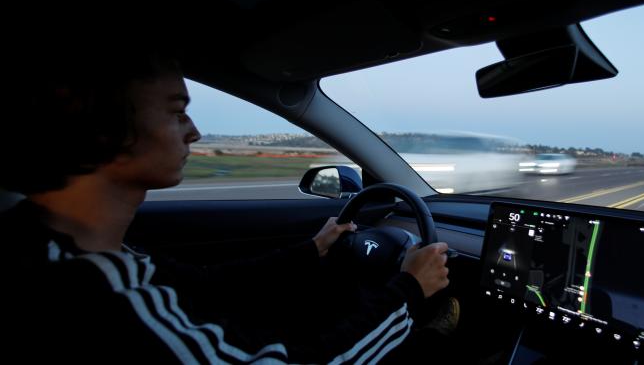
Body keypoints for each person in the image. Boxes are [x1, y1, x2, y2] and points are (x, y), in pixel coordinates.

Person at [0, 54, 453, 364]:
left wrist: (311, 249)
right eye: (177, 112)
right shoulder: (87, 289)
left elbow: (203, 286)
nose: (194, 132)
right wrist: (410, 291)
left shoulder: (66, 247)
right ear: (103, 129)